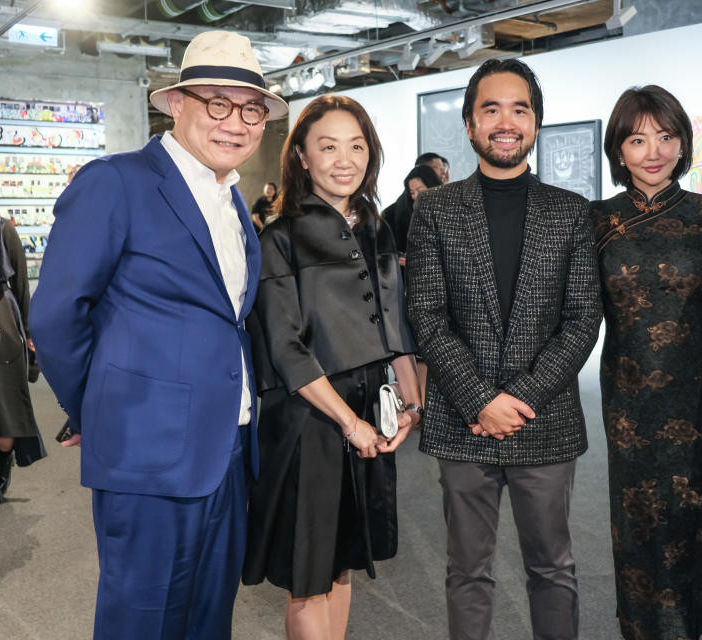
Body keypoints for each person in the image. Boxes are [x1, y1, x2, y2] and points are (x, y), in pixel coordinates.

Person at [29, 31, 287, 639]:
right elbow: (56, 314)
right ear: (176, 104)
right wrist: (96, 407)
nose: (236, 122)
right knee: (142, 621)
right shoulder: (116, 182)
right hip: (148, 452)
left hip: (227, 450)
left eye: (251, 108)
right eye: (217, 103)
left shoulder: (232, 204)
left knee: (207, 618)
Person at [406, 58, 602, 640]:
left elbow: (582, 319)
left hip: (545, 421)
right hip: (463, 422)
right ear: (469, 125)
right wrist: (480, 400)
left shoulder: (570, 212)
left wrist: (520, 397)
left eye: (520, 108)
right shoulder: (435, 211)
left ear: (536, 123)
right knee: (467, 571)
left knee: (553, 569)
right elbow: (427, 315)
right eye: (490, 109)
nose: (505, 121)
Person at [242, 94, 421, 640]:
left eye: (357, 145)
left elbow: (397, 326)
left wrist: (412, 404)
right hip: (311, 419)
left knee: (342, 560)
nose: (345, 159)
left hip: (370, 406)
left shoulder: (375, 227)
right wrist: (349, 422)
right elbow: (287, 348)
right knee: (308, 574)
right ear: (300, 156)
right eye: (328, 146)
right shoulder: (279, 237)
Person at [589, 85, 702, 640]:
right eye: (637, 138)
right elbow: (581, 315)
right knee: (639, 527)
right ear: (618, 149)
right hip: (630, 401)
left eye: (666, 136)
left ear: (682, 143)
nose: (653, 150)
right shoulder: (597, 220)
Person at [0, 215, 46, 510]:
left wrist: (29, 335)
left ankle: (2, 469)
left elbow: (21, 289)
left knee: (7, 423)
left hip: (3, 334)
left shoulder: (4, 230)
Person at [381, 163, 442, 263]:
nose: (415, 196)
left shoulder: (450, 211)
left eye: (420, 190)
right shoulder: (405, 213)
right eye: (412, 192)